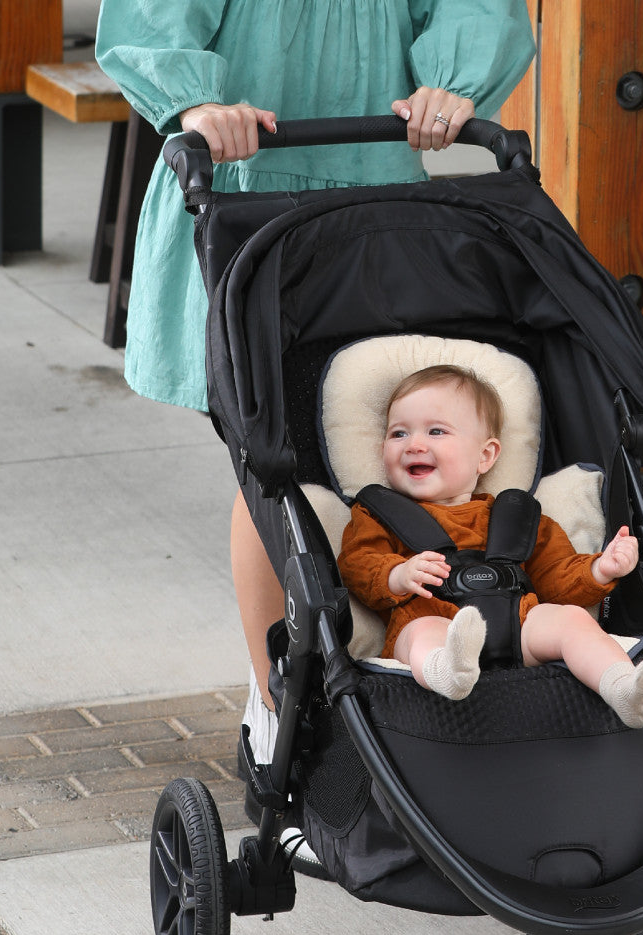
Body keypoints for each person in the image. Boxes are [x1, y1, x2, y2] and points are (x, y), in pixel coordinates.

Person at [94, 2, 534, 871]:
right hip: (241, 198)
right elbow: (154, 15)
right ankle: (274, 704)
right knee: (278, 464)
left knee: (373, 460)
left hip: (374, 201)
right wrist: (194, 103)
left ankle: (377, 689)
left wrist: (452, 84)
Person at [337, 365, 643, 727]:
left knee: (571, 620)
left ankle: (624, 688)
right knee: (420, 634)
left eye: (436, 431)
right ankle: (446, 671)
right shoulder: (377, 515)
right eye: (398, 433)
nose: (414, 445)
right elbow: (356, 563)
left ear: (485, 456)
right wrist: (397, 574)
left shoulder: (514, 518)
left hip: (519, 623)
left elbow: (555, 577)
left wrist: (599, 569)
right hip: (431, 617)